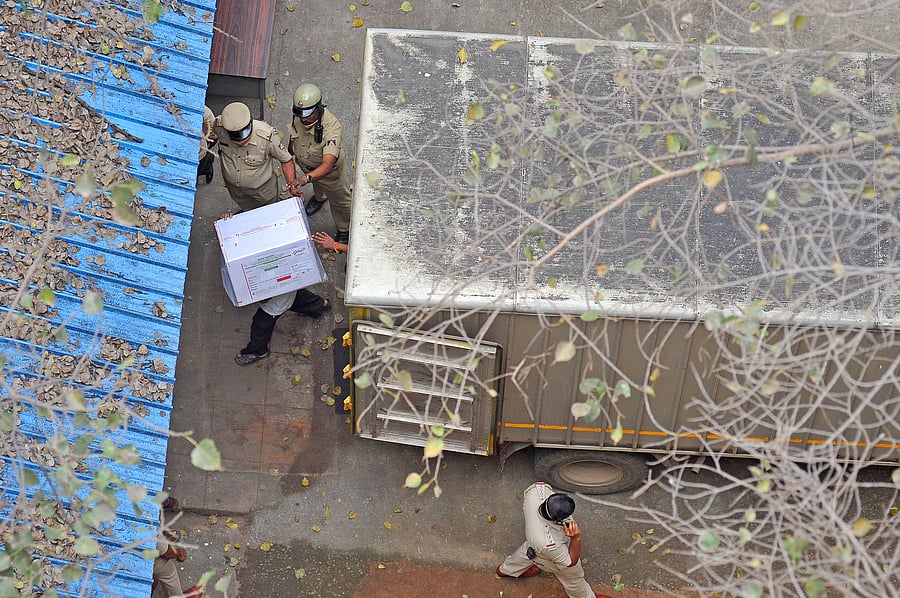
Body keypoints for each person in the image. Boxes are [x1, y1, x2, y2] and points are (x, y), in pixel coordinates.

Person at [497, 482, 603, 598]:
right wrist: (576, 538)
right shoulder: (550, 544)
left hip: (532, 542)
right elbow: (570, 562)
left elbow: (538, 487)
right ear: (557, 520)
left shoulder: (537, 490)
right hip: (546, 554)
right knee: (574, 580)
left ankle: (505, 570)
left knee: (527, 552)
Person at [288, 83, 352, 245]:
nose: (303, 118)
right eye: (300, 113)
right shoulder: (299, 116)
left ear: (318, 108)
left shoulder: (332, 127)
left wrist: (304, 179)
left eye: (308, 114)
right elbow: (293, 134)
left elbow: (327, 165)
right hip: (308, 166)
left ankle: (344, 228)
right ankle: (319, 197)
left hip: (329, 174)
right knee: (317, 184)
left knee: (340, 201)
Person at [213, 101, 303, 212]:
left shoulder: (266, 136)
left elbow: (286, 160)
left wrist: (292, 186)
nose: (241, 140)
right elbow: (211, 136)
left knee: (269, 211)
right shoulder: (219, 126)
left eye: (244, 133)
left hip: (262, 191)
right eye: (236, 136)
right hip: (235, 190)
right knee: (247, 210)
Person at [197, 105, 217, 184]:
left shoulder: (203, 110)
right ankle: (207, 169)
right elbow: (213, 131)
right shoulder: (202, 109)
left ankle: (207, 169)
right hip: (200, 151)